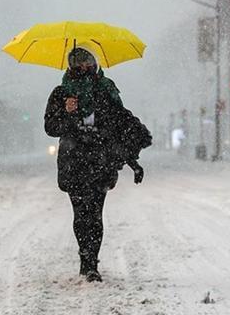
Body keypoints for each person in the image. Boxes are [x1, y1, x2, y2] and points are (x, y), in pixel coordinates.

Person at [44, 47, 151, 282]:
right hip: (74, 163)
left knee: (95, 214)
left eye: (87, 61)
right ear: (71, 66)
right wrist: (66, 111)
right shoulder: (61, 94)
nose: (84, 67)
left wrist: (132, 153)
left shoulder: (106, 90)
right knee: (81, 214)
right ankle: (85, 259)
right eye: (78, 63)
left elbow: (120, 122)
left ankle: (92, 263)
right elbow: (51, 127)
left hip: (100, 162)